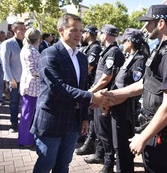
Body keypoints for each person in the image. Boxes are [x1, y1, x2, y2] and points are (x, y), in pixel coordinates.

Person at [102, 4, 167, 173]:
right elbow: (144, 84)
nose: (145, 27)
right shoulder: (160, 49)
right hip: (150, 126)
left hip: (160, 131)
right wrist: (111, 94)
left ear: (161, 23)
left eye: (148, 22)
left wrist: (143, 137)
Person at [30, 13, 114, 173]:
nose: (79, 34)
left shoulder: (82, 57)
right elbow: (57, 88)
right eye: (74, 30)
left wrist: (84, 117)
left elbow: (81, 87)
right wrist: (92, 97)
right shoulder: (49, 54)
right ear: (60, 30)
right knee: (45, 165)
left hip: (73, 123)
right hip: (52, 121)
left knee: (63, 166)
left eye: (81, 30)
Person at [86, 24, 125, 173]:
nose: (100, 36)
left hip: (104, 97)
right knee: (98, 128)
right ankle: (100, 154)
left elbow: (106, 78)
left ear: (106, 34)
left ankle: (108, 163)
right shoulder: (108, 51)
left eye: (102, 33)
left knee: (104, 131)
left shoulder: (113, 52)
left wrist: (91, 92)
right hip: (100, 95)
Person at [110, 28, 149, 173]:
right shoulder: (130, 57)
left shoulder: (139, 61)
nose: (122, 43)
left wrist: (110, 101)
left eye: (125, 40)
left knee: (123, 149)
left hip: (125, 110)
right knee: (119, 147)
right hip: (118, 108)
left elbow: (131, 89)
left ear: (131, 42)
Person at [75, 24, 102, 155]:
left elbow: (88, 67)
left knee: (90, 115)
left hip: (91, 84)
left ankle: (89, 143)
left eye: (84, 32)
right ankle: (84, 135)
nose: (82, 35)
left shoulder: (95, 48)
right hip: (87, 84)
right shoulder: (89, 47)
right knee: (86, 111)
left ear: (89, 33)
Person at [0, 21, 26, 133]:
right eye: (21, 29)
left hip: (26, 79)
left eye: (25, 29)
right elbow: (5, 63)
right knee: (14, 102)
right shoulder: (7, 43)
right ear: (14, 30)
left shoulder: (27, 43)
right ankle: (14, 123)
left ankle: (25, 124)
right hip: (15, 79)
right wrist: (11, 79)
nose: (24, 31)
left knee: (26, 103)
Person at [18, 28, 41, 148]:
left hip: (28, 84)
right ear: (37, 38)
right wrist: (43, 73)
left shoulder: (26, 49)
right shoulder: (31, 51)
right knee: (28, 115)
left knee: (27, 114)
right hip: (32, 86)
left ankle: (26, 139)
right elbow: (33, 70)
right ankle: (26, 140)